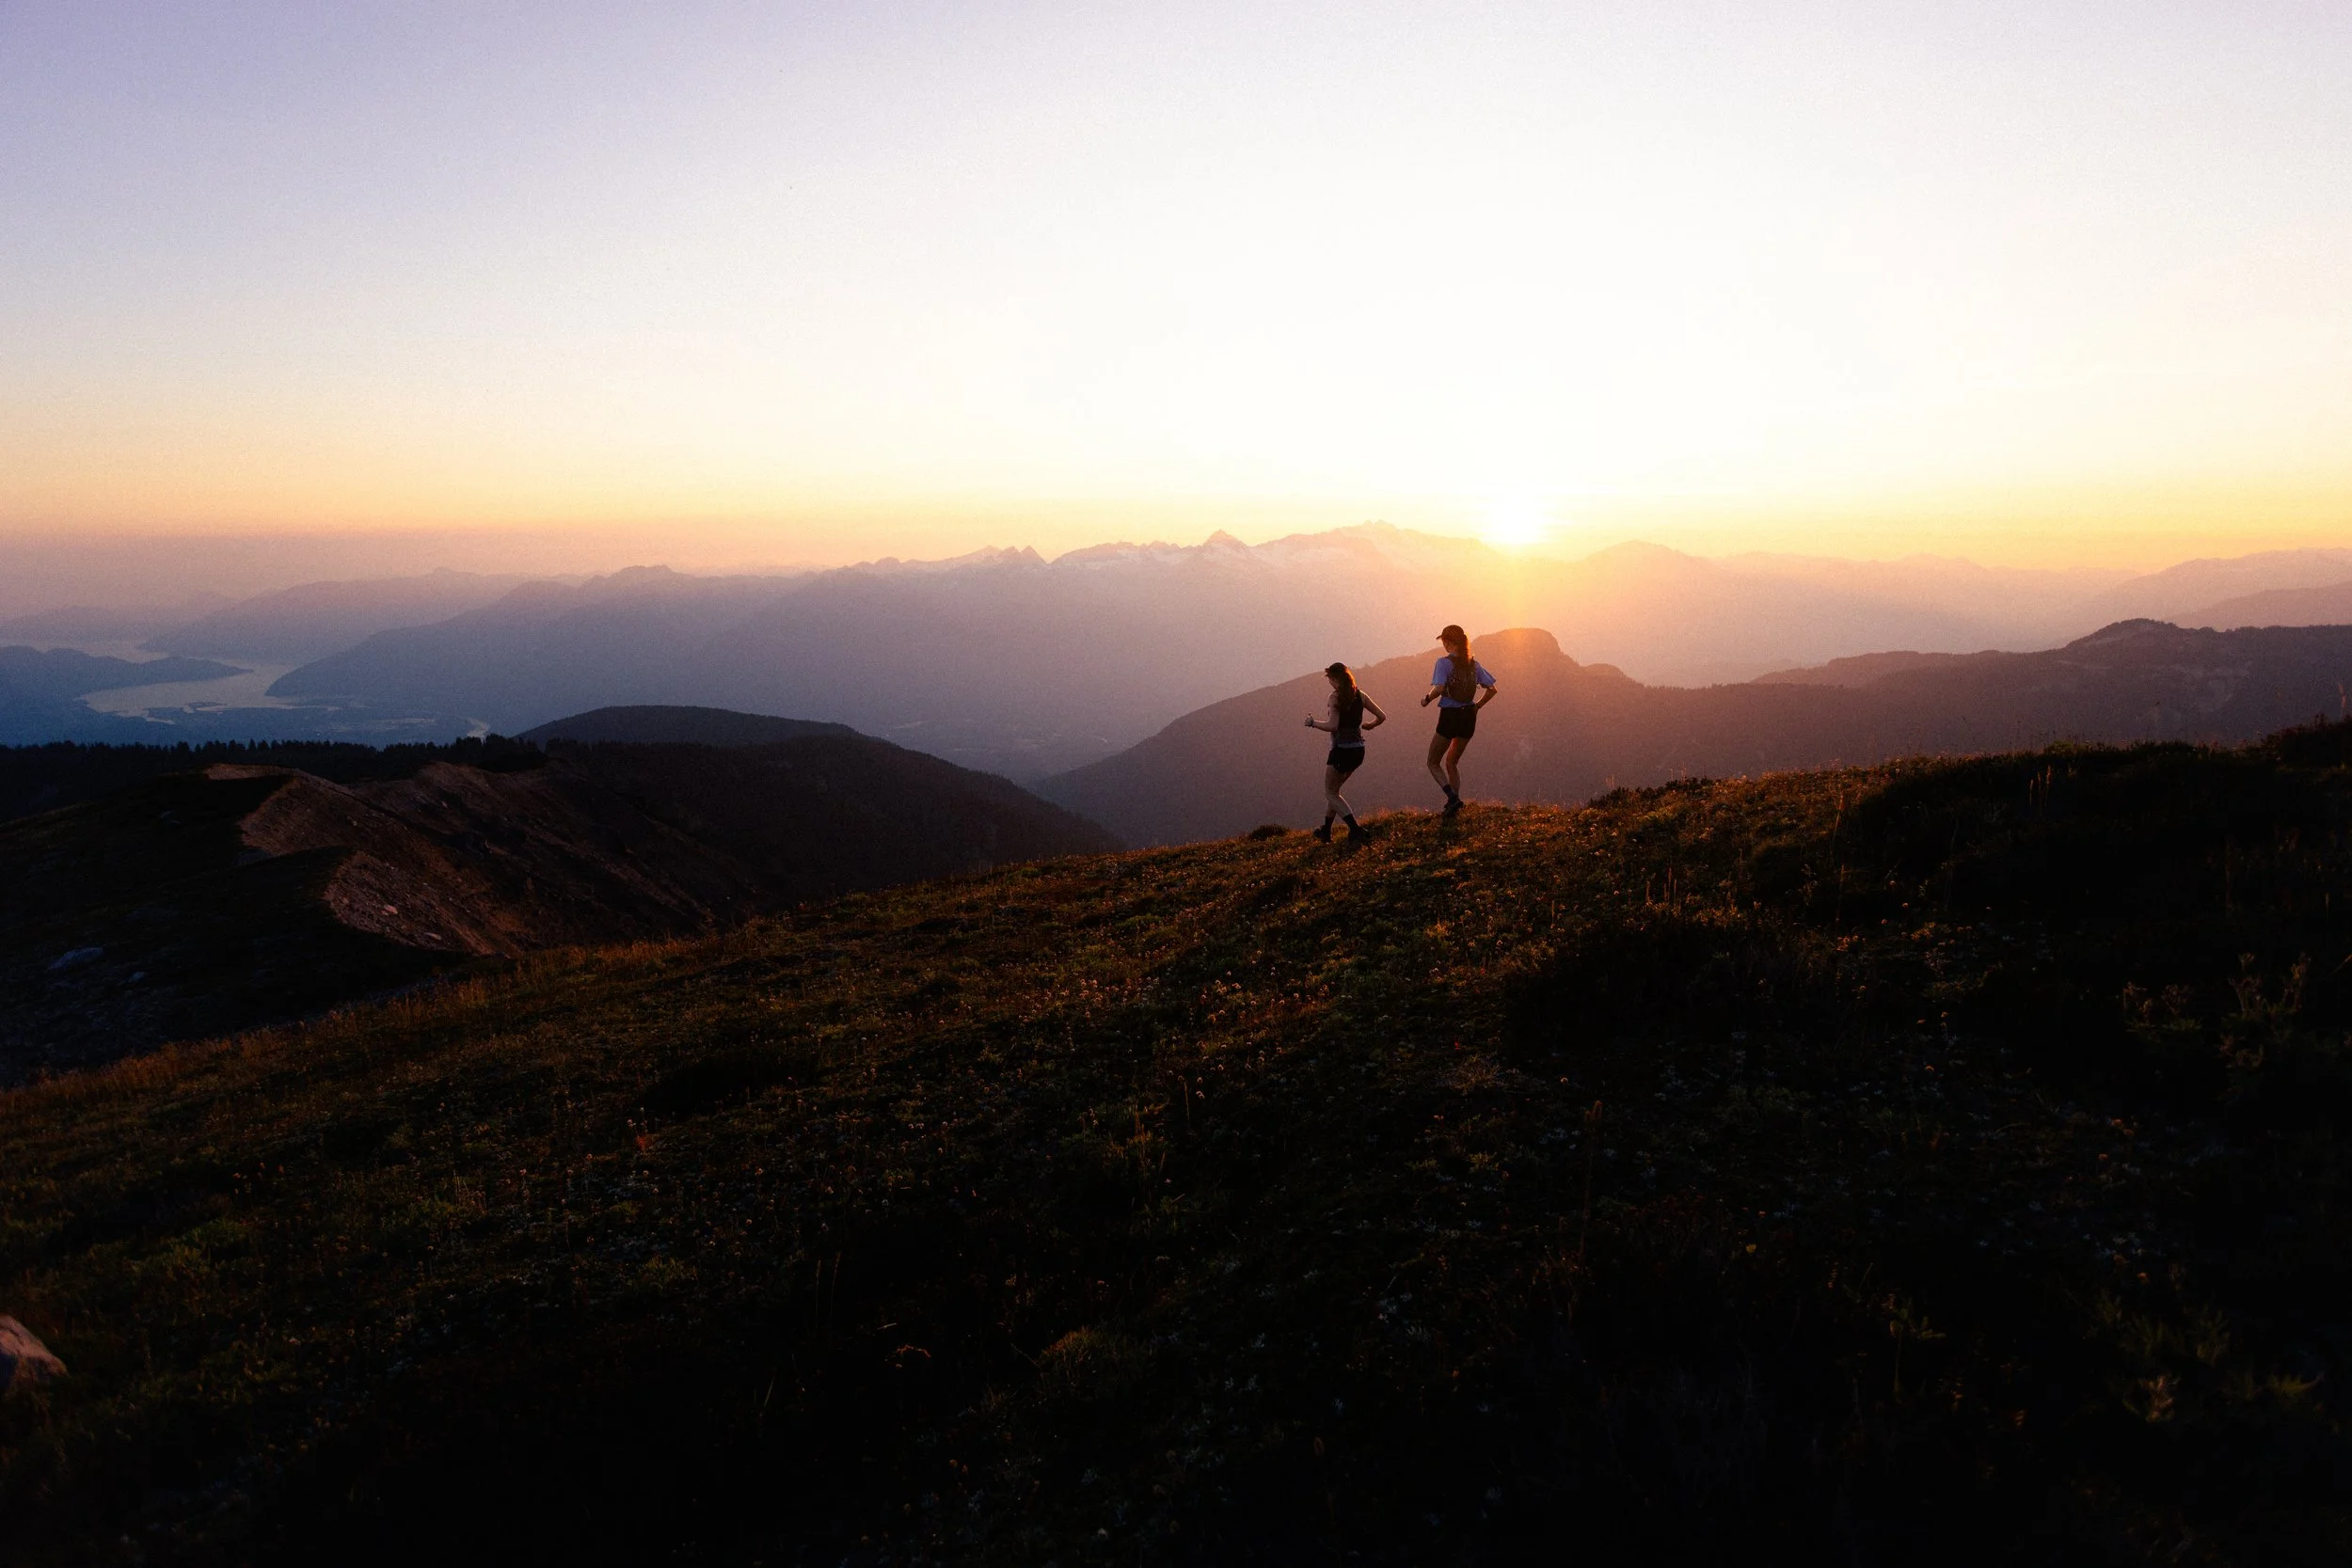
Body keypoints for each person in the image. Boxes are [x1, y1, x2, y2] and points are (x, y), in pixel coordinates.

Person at [1303, 661, 1386, 842]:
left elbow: (1333, 726)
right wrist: (1370, 725)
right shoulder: (1360, 695)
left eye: (1330, 679)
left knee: (1330, 792)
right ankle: (1326, 830)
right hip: (1358, 751)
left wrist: (1313, 723)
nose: (1329, 682)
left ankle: (1356, 830)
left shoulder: (1335, 697)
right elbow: (1382, 716)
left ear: (1334, 679)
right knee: (1335, 791)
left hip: (1341, 751)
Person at [1420, 624, 1497, 816]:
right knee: (1452, 762)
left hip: (1450, 716)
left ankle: (1452, 798)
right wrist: (1477, 706)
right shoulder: (1473, 665)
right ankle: (1453, 803)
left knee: (1432, 762)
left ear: (1448, 642)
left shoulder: (1443, 663)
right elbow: (1492, 689)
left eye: (1444, 642)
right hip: (1469, 717)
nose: (1443, 645)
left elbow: (1439, 688)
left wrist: (1427, 699)